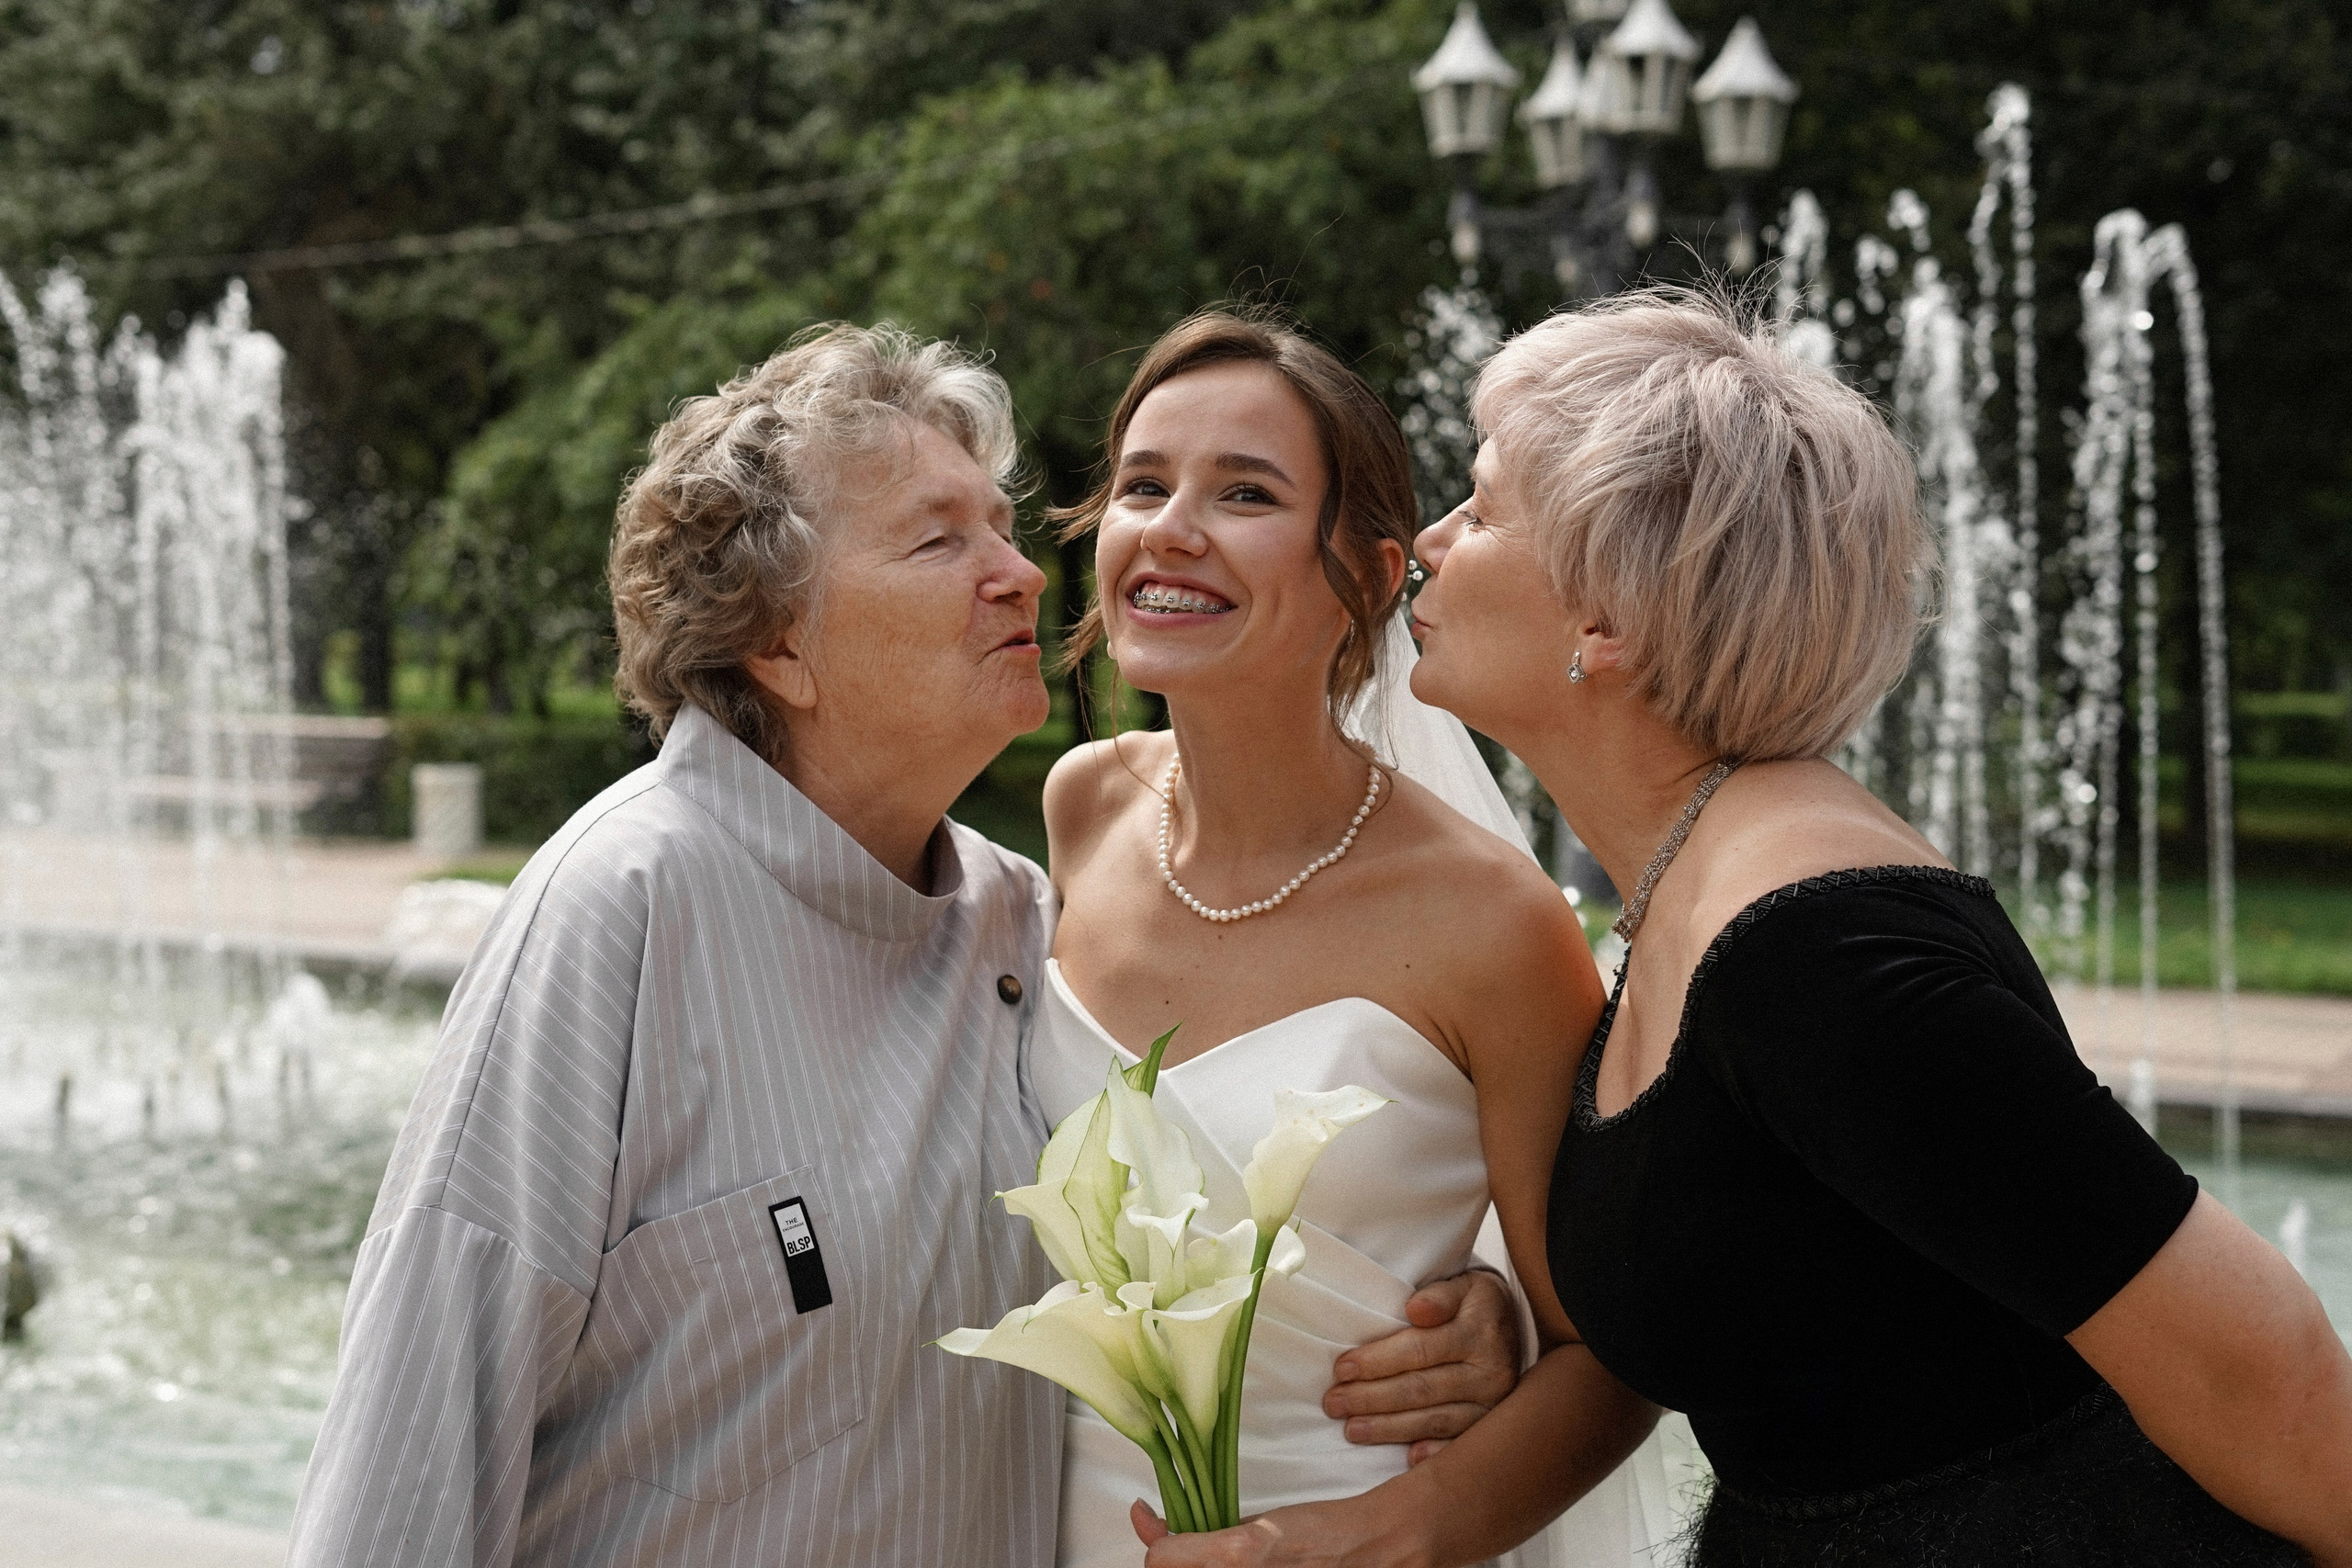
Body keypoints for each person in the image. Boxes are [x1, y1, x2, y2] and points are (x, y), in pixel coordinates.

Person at [285, 323, 1520, 1568]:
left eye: (1003, 525)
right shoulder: (622, 907)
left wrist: (1482, 1310)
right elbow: (414, 1444)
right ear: (777, 643)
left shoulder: (1020, 919)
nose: (1027, 575)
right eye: (942, 541)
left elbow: (1259, 1149)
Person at [1394, 292, 2352, 1565]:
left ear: (1606, 616)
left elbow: (2272, 1378)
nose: (1429, 539)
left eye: (1483, 507)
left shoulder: (1818, 953)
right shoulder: (1710, 885)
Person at [1038, 309, 1679, 1568]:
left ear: (1375, 580)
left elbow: (1614, 1355)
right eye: (1143, 485)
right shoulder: (1085, 808)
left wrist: (1376, 1537)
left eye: (1246, 493)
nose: (1171, 527)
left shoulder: (1490, 920)